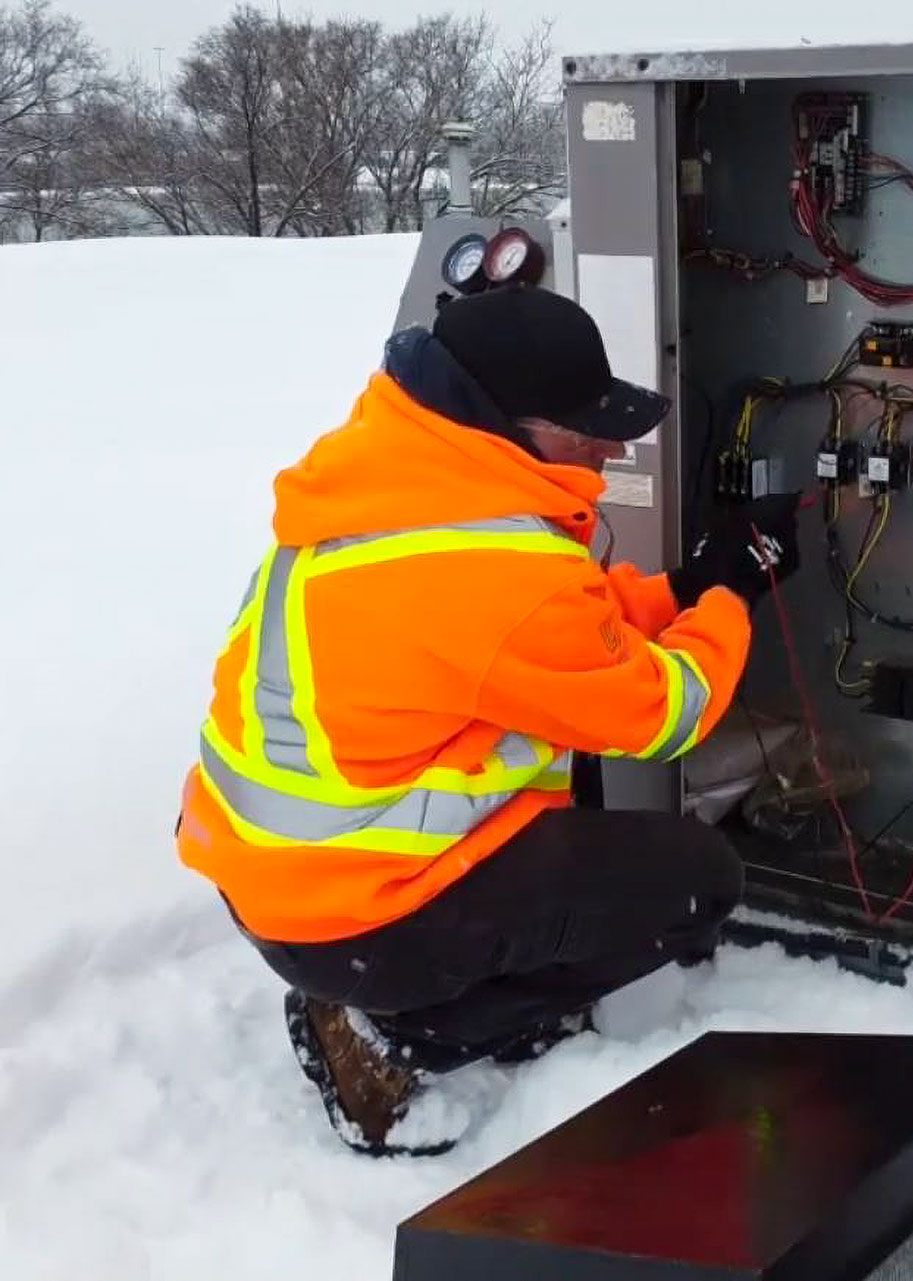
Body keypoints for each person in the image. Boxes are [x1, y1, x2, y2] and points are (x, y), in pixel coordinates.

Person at [173, 284, 800, 1156]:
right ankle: (390, 1040)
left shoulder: (391, 486)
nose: (612, 448)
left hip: (280, 881)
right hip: (355, 915)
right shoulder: (495, 572)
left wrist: (682, 589)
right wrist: (731, 594)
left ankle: (375, 985)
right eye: (587, 431)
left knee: (576, 822)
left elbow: (549, 634)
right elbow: (663, 711)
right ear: (516, 428)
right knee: (695, 880)